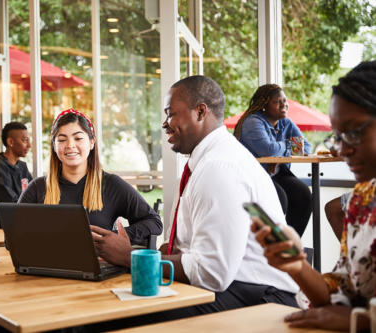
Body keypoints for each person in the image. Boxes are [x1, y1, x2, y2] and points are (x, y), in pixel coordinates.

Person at [88, 76, 299, 330]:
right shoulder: (206, 161)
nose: (165, 124)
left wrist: (130, 255)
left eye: (171, 114)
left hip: (260, 298)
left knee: (116, 317)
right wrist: (172, 252)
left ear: (200, 111)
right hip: (237, 287)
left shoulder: (219, 168)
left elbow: (212, 273)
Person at [251, 60, 376, 331]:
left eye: (353, 133)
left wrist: (357, 321)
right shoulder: (362, 200)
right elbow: (343, 294)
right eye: (338, 137)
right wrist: (296, 265)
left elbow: (350, 314)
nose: (342, 150)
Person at [18, 108, 162, 245]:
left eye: (78, 138)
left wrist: (114, 238)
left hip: (98, 269)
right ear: (54, 146)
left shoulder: (111, 184)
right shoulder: (37, 187)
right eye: (62, 140)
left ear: (92, 142)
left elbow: (154, 222)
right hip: (48, 268)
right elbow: (13, 237)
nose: (70, 145)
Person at [234, 84, 312, 236]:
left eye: (285, 101)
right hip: (253, 176)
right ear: (264, 105)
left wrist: (280, 156)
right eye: (278, 102)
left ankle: (289, 244)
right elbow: (268, 150)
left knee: (302, 194)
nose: (284, 105)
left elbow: (305, 148)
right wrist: (288, 146)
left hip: (276, 174)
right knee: (279, 198)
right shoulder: (252, 122)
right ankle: (269, 249)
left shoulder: (285, 123)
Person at [0, 122, 32, 228]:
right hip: (0, 227)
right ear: (10, 142)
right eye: (24, 140)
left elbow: (33, 193)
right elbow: (10, 202)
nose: (29, 145)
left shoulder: (22, 166)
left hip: (19, 223)